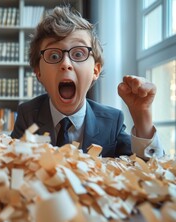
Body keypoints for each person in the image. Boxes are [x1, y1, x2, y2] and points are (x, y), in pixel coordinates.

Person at [11, 6, 163, 159]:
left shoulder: (111, 120)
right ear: (39, 72)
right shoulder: (28, 115)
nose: (66, 64)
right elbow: (13, 165)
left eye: (78, 53)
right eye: (54, 56)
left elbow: (145, 171)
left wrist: (142, 116)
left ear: (95, 71)